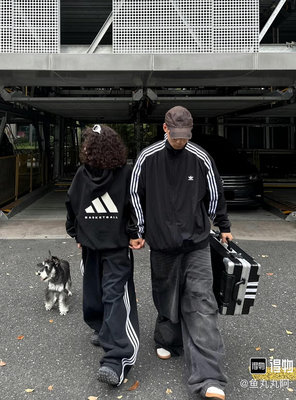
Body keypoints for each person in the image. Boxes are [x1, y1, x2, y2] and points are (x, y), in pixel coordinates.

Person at [129, 106, 233, 400]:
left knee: (202, 302)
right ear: (165, 129)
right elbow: (135, 194)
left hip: (196, 243)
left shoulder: (200, 158)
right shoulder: (147, 158)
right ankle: (169, 339)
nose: (180, 141)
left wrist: (220, 224)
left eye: (185, 137)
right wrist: (138, 230)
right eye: (175, 136)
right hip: (162, 244)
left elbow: (215, 195)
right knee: (165, 296)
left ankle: (209, 377)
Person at [65, 124, 139, 387]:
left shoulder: (123, 174)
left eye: (87, 145)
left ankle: (116, 360)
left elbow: (133, 205)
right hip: (94, 246)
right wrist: (77, 235)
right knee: (95, 292)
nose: (84, 148)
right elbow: (73, 204)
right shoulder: (84, 175)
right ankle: (102, 327)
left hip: (115, 248)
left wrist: (134, 233)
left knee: (114, 294)